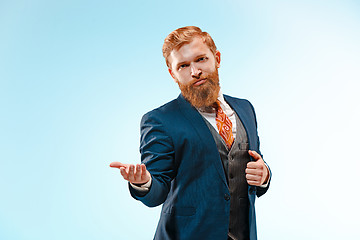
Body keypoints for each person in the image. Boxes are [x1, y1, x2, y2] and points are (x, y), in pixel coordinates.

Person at [110, 26, 271, 240]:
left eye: (201, 59)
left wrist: (264, 176)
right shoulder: (160, 120)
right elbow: (157, 191)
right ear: (173, 73)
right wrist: (143, 182)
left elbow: (254, 169)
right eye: (183, 65)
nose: (195, 71)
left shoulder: (245, 109)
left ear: (217, 58)